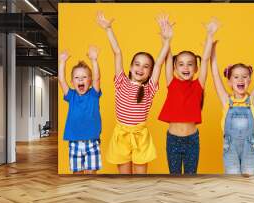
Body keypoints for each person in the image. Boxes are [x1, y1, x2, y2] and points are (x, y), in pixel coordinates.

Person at [96, 12, 173, 174]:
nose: (140, 69)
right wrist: (108, 29)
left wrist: (166, 41)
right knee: (125, 178)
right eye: (137, 64)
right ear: (130, 67)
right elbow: (117, 52)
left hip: (140, 136)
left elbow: (159, 62)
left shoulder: (150, 88)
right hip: (121, 135)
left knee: (140, 179)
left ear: (150, 72)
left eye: (146, 66)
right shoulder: (121, 81)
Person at [158, 19, 219, 174]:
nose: (186, 67)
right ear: (175, 68)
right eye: (181, 64)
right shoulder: (172, 83)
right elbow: (167, 59)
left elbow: (205, 59)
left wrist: (210, 35)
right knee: (174, 177)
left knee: (191, 176)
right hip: (173, 139)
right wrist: (167, 39)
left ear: (196, 68)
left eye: (190, 64)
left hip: (192, 140)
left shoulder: (199, 85)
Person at [210, 35, 254, 176]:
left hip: (249, 148)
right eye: (236, 77)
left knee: (249, 180)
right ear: (229, 82)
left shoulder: (253, 100)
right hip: (230, 148)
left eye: (244, 76)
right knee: (233, 180)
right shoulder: (226, 100)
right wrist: (212, 51)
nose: (240, 79)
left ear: (249, 80)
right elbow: (215, 75)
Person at [58, 46, 102, 174]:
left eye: (84, 77)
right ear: (72, 82)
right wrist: (62, 62)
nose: (81, 80)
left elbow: (97, 78)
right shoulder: (71, 95)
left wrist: (94, 60)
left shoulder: (94, 94)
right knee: (76, 174)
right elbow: (61, 80)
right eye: (77, 78)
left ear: (90, 81)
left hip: (92, 141)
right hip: (74, 142)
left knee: (90, 174)